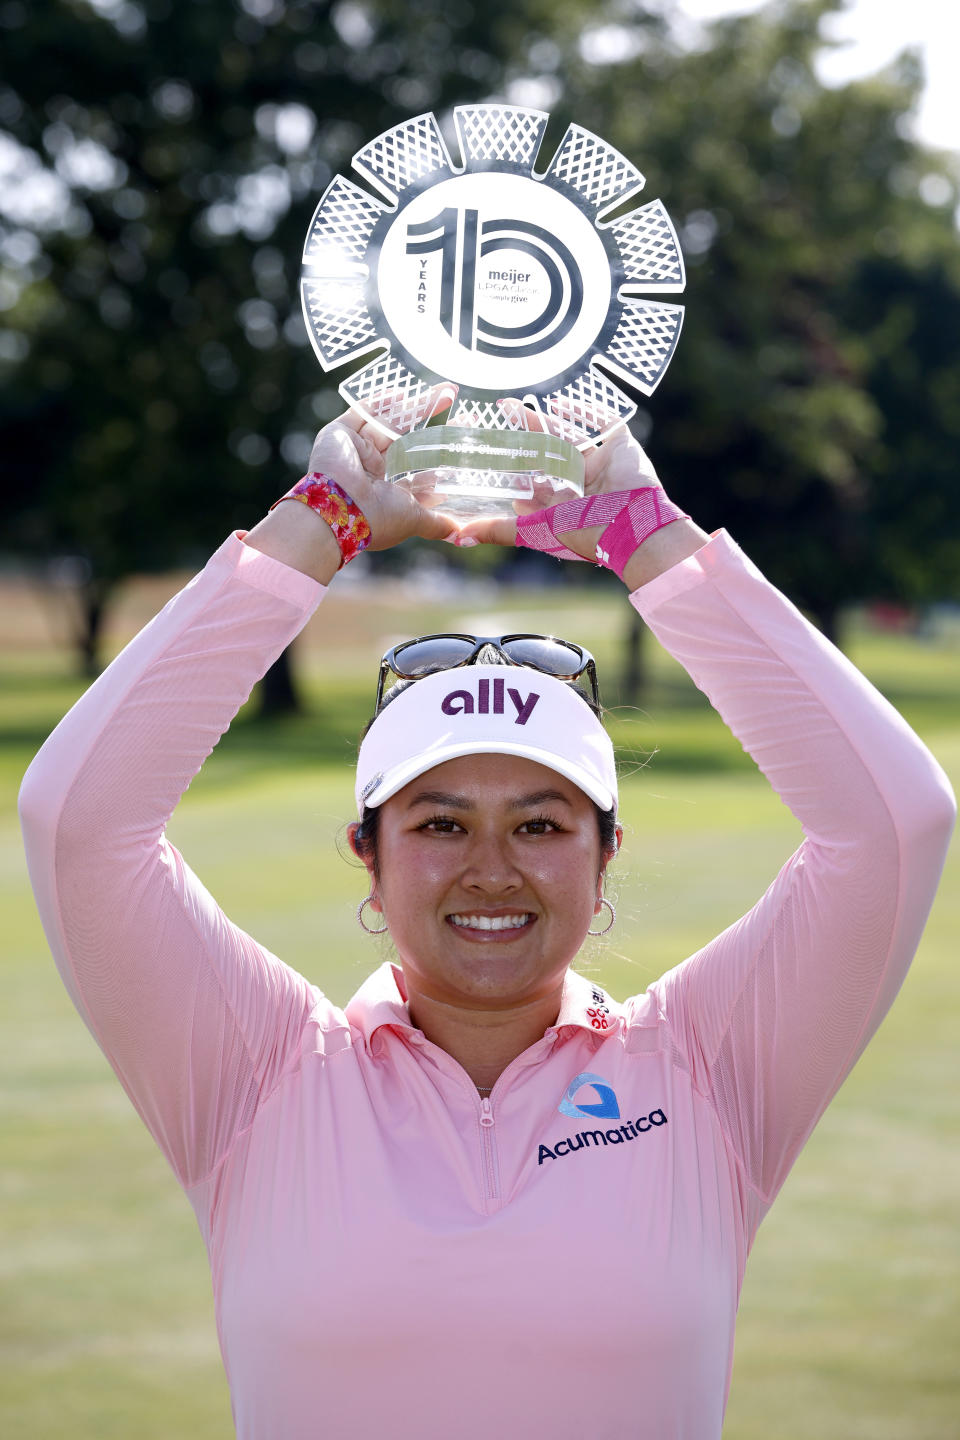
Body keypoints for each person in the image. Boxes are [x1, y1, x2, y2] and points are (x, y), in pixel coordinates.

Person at [19, 404, 955, 1440]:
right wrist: (319, 520)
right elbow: (80, 825)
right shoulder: (259, 1074)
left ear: (605, 858)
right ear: (369, 856)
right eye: (441, 821)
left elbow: (892, 825)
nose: (491, 870)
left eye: (542, 822)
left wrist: (644, 535)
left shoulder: (708, 1069)